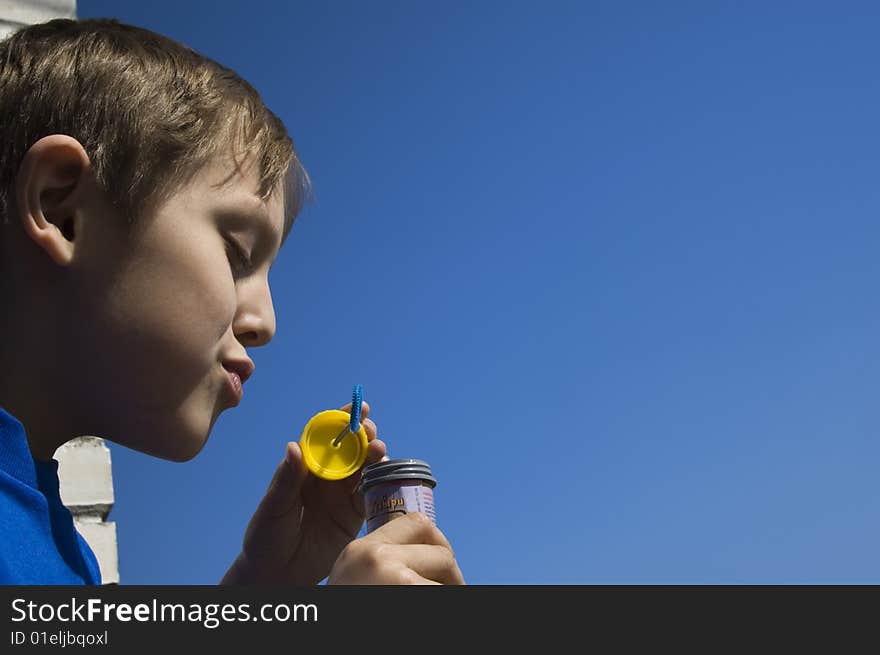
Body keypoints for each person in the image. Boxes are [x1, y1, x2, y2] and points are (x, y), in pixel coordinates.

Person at [0, 18, 464, 586]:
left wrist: (266, 583)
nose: (265, 322)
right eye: (237, 254)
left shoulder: (59, 546)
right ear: (62, 208)